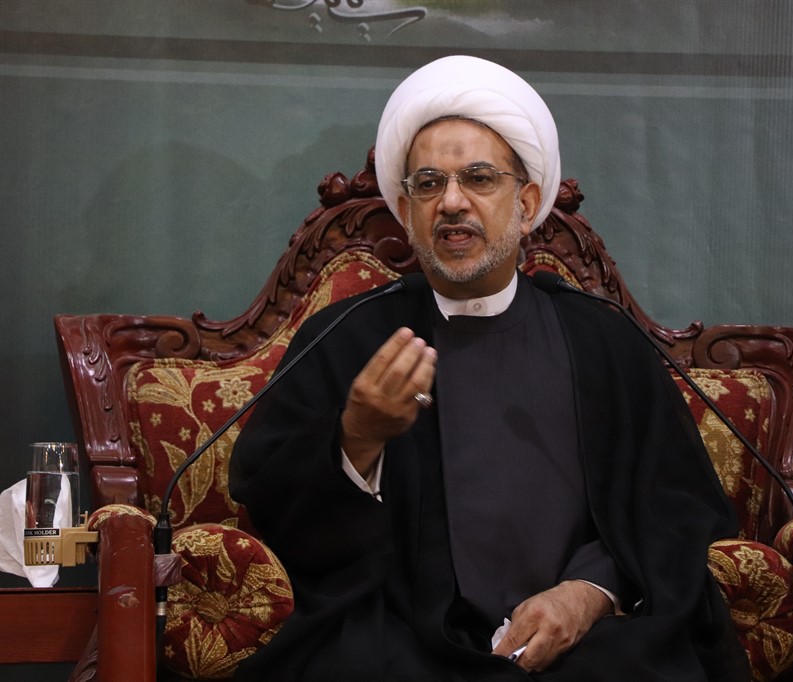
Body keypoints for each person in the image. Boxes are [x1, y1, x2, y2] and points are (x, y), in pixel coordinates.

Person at [229, 55, 748, 681]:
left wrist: (590, 592)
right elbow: (269, 498)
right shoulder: (346, 336)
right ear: (406, 210)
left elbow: (676, 506)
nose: (452, 202)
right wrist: (356, 437)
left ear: (526, 204)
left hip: (586, 642)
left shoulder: (603, 339)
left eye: (478, 178)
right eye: (428, 184)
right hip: (405, 638)